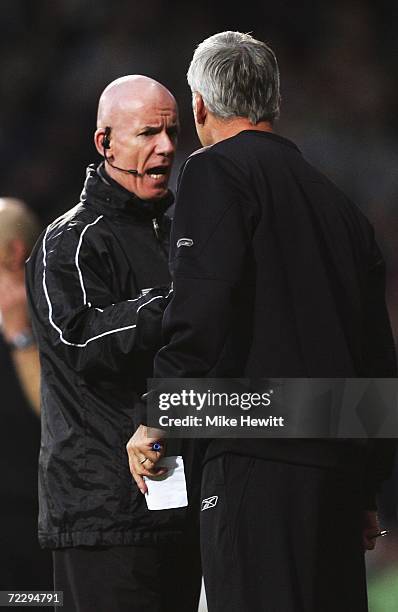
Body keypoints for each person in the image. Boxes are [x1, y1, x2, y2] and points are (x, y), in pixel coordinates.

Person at [135, 32, 397, 611]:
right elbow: (378, 354)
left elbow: (202, 306)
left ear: (200, 105)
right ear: (272, 103)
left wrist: (161, 416)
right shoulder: (342, 208)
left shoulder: (214, 172)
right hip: (337, 472)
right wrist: (368, 487)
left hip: (255, 456)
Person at [25, 75, 201, 612]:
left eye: (172, 132)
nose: (167, 147)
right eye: (148, 132)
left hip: (181, 509)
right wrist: (177, 301)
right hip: (101, 516)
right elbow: (78, 341)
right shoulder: (70, 241)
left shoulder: (182, 238)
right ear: (105, 143)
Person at [0, 197, 53, 591]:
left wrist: (21, 336)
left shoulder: (55, 313)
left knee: (31, 601)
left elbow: (54, 413)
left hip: (34, 516)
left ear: (14, 252)